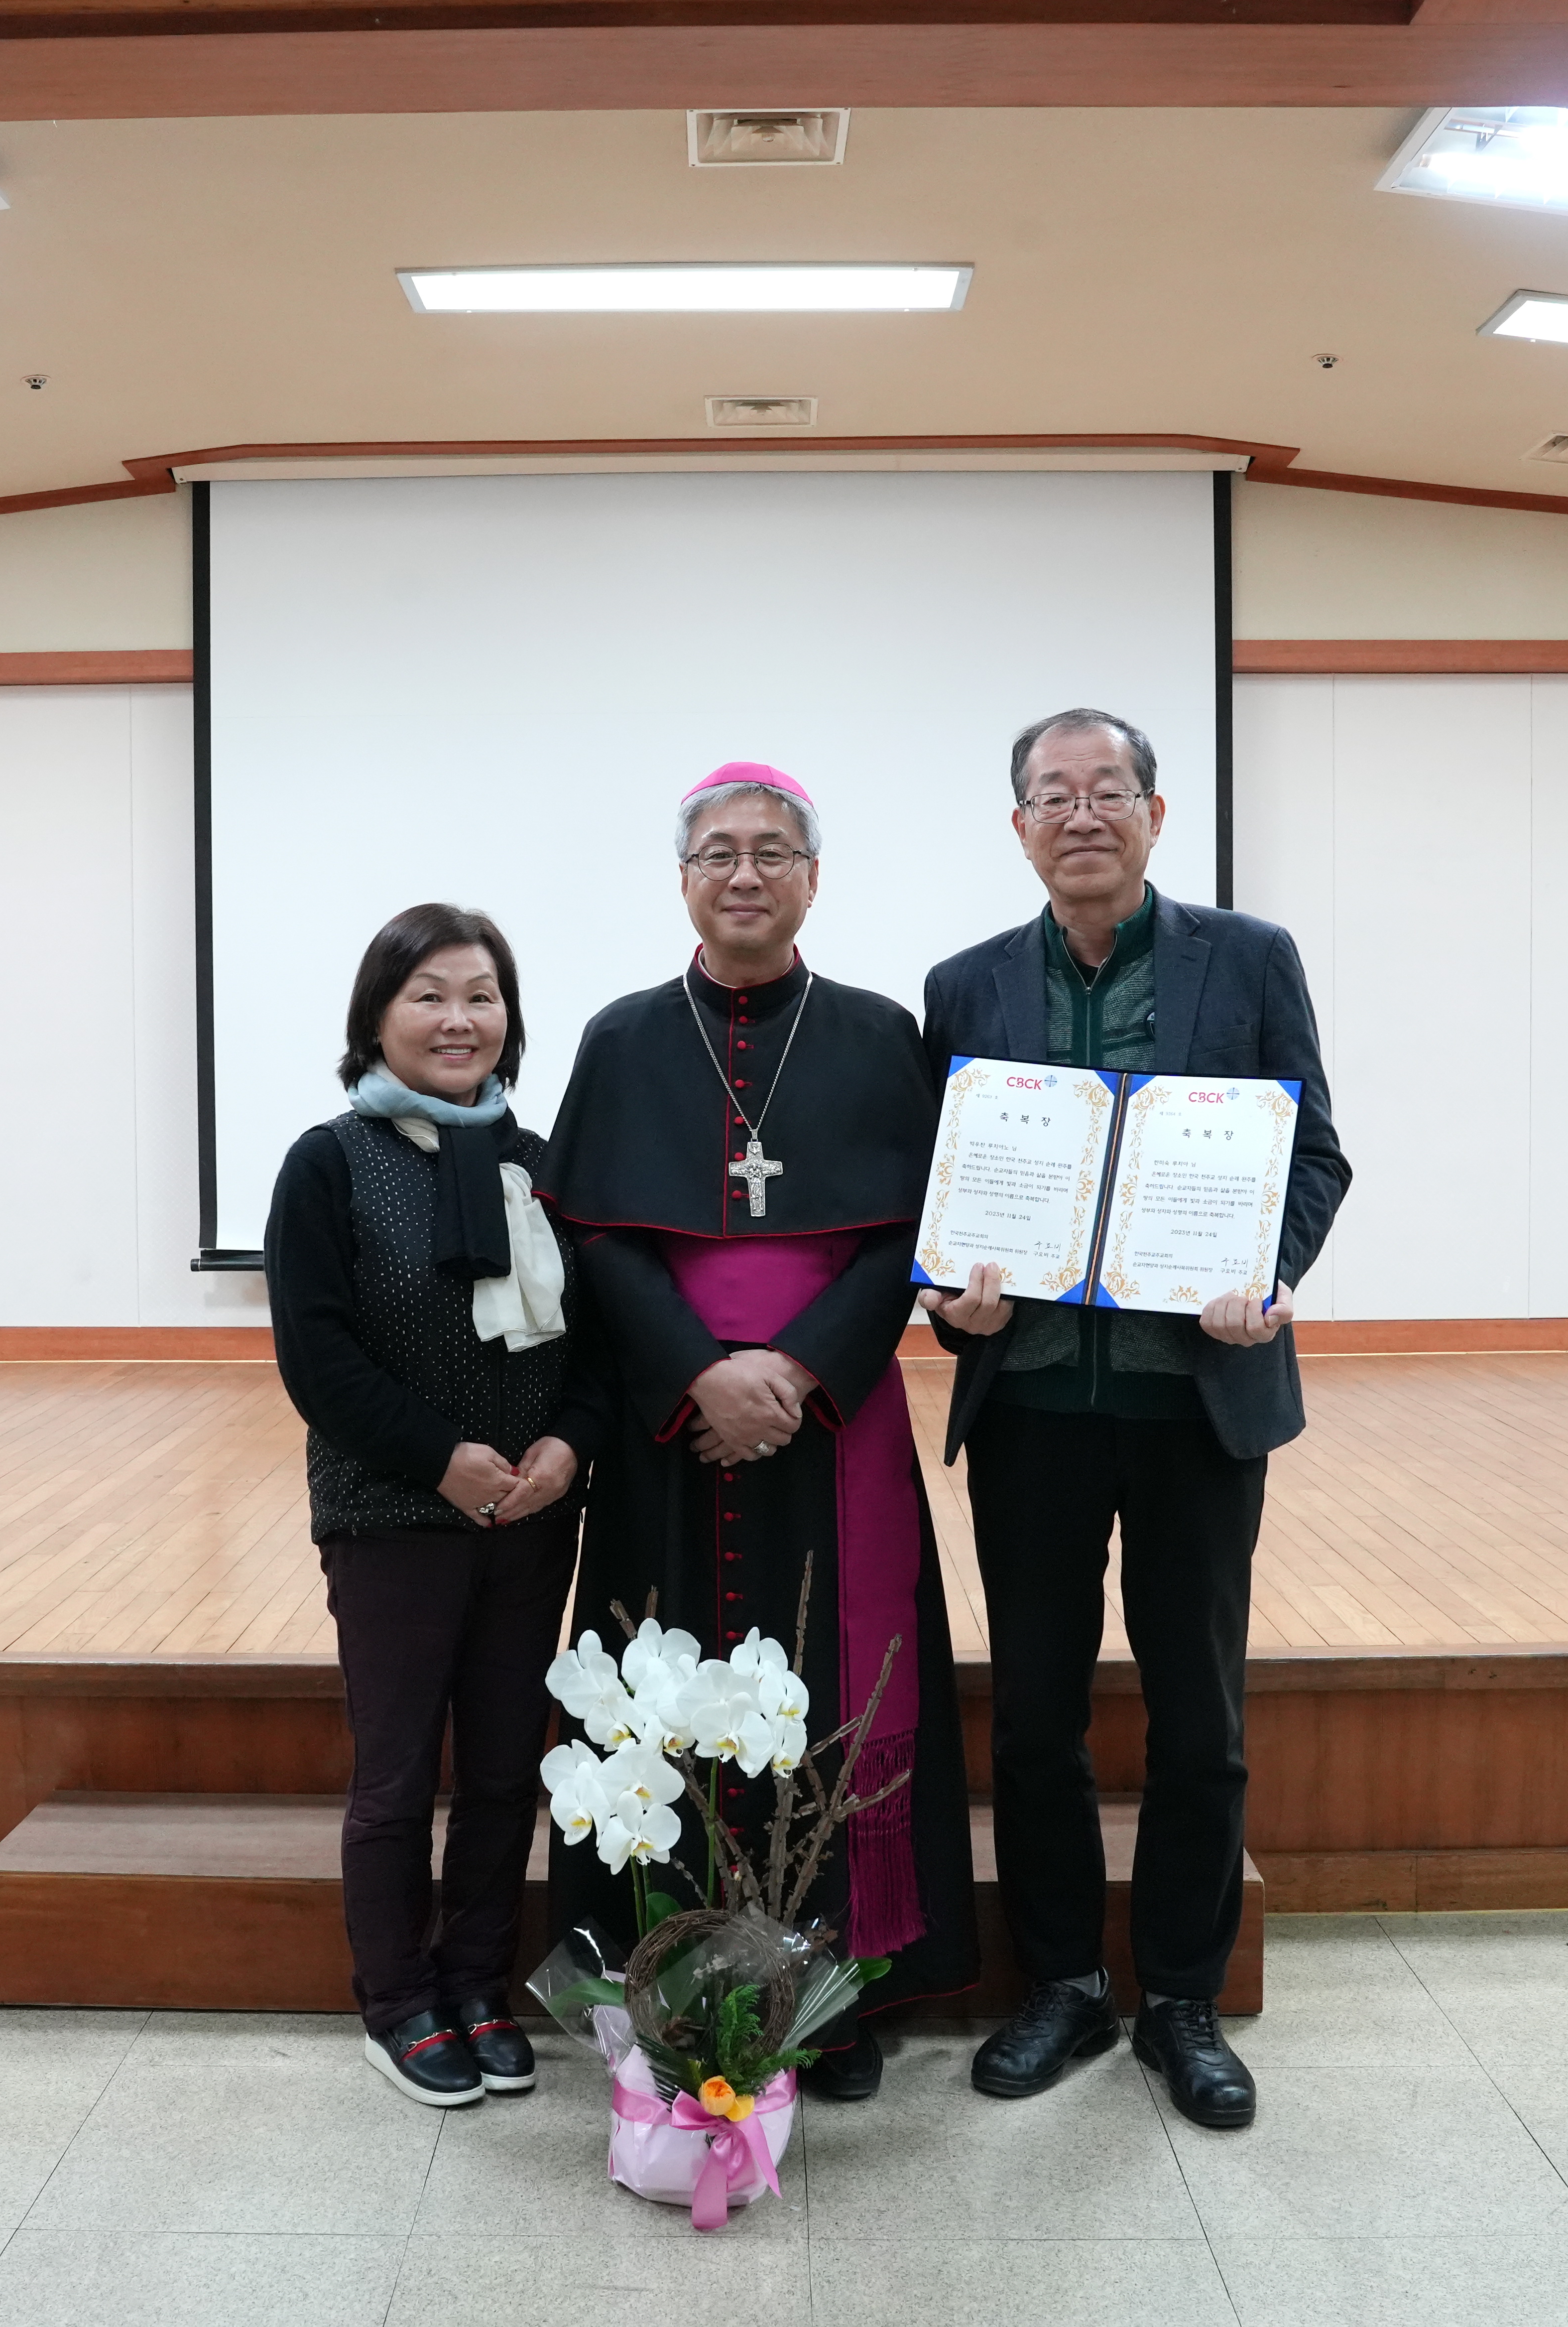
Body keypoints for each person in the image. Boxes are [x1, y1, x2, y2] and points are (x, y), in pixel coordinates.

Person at [918, 708, 1349, 2131]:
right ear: (1021, 827)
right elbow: (951, 1190)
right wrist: (950, 1306)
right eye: (1055, 794)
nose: (1083, 814)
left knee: (1200, 1716)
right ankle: (1060, 1985)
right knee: (1036, 1715)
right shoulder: (967, 985)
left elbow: (1315, 1154)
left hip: (1194, 1402)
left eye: (1111, 791)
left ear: (1157, 817)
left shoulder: (1250, 959)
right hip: (1035, 1401)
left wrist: (1263, 1274)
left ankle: (1181, 1997)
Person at [536, 762, 981, 2097]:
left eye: (774, 851)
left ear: (813, 878)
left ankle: (829, 2002)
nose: (747, 873)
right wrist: (697, 1375)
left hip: (829, 1423)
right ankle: (668, 1994)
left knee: (842, 1689)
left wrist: (792, 1370)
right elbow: (595, 1233)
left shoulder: (874, 1032)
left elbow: (907, 1227)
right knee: (655, 1688)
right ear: (685, 879)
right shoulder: (622, 1038)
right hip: (672, 1427)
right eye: (721, 852)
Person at [265, 903, 597, 2109]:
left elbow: (593, 1339)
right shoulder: (328, 1160)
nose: (460, 1019)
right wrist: (440, 1456)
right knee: (399, 1774)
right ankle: (398, 2000)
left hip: (532, 1510)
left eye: (483, 995)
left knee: (509, 1768)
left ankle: (477, 1980)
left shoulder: (541, 1160)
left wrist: (566, 1443)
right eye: (430, 995)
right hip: (391, 1510)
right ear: (377, 1018)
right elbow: (318, 1355)